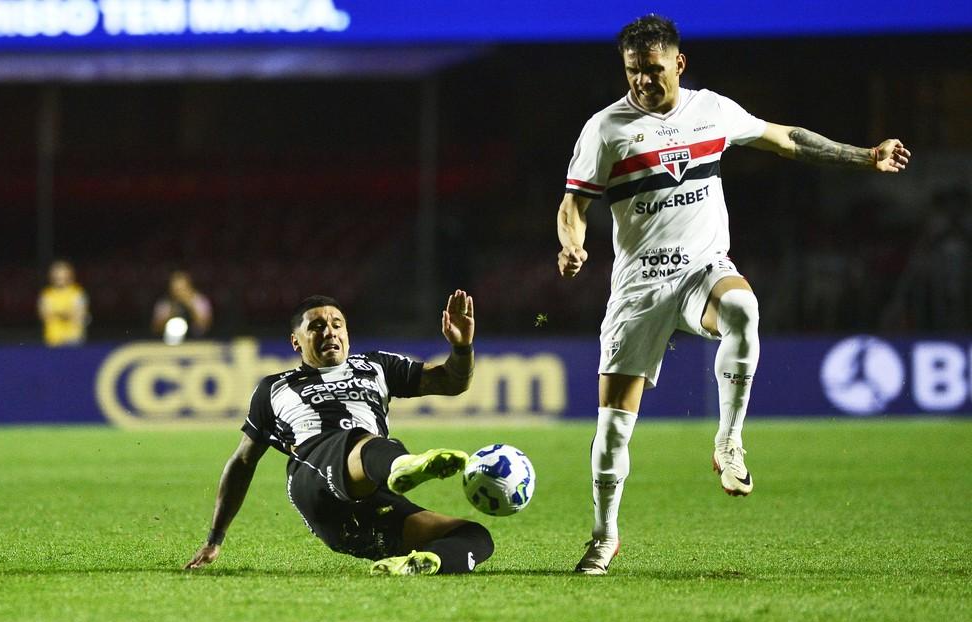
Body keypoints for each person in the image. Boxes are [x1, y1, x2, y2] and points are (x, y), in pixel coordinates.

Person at [556, 15, 910, 574]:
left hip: (703, 270)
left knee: (744, 306)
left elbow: (785, 139)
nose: (643, 83)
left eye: (653, 70)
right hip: (639, 287)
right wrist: (571, 245)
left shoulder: (712, 111)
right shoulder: (605, 129)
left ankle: (728, 442)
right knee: (612, 430)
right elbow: (574, 204)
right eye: (632, 73)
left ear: (679, 63)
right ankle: (604, 538)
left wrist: (864, 155)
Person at [185, 289, 494, 576]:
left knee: (473, 535)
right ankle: (404, 467)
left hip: (366, 501)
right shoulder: (274, 387)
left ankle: (424, 563)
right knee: (361, 439)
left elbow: (451, 382)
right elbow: (242, 462)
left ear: (347, 333)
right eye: (317, 326)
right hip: (316, 483)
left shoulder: (376, 366)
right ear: (296, 341)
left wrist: (461, 347)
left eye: (337, 324)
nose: (329, 331)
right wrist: (215, 538)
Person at [37, 259, 89, 347]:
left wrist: (56, 313)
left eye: (62, 275)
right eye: (56, 275)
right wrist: (67, 313)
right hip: (53, 340)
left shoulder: (77, 293)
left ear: (69, 275)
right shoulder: (46, 294)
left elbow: (80, 316)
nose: (59, 278)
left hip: (73, 340)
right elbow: (44, 315)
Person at [151, 270, 212, 343]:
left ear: (189, 286)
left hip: (197, 341)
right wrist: (171, 312)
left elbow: (205, 325)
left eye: (182, 289)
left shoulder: (199, 300)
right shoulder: (165, 303)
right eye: (176, 289)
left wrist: (190, 307)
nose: (179, 293)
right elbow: (156, 328)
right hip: (169, 342)